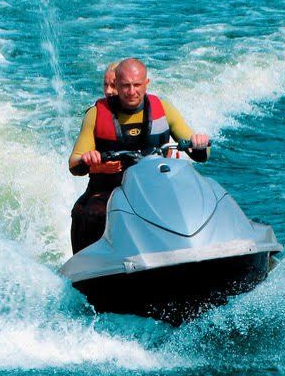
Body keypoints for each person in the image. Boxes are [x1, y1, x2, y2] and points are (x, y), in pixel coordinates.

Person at [67, 57, 210, 253]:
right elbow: (74, 163)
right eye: (125, 86)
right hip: (109, 191)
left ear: (146, 84)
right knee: (90, 214)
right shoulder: (96, 115)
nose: (131, 91)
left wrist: (199, 145)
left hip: (156, 188)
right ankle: (92, 265)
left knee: (194, 200)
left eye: (137, 85)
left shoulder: (164, 109)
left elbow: (199, 152)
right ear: (116, 85)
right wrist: (89, 160)